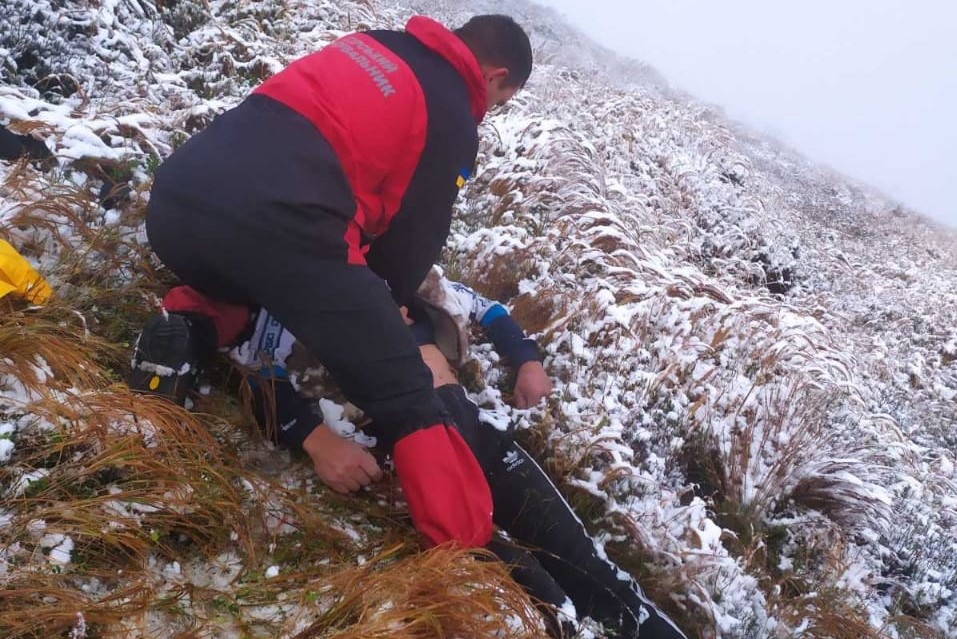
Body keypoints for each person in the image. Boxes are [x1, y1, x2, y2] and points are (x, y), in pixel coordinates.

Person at [129, 15, 533, 549]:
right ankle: (464, 543)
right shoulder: (452, 112)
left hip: (178, 207)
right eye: (501, 99)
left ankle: (191, 326)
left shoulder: (372, 45)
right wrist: (382, 313)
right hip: (282, 221)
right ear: (494, 74)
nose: (490, 111)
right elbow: (413, 237)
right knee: (403, 387)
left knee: (261, 280)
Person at [231, 272, 688, 639]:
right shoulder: (288, 292)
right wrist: (316, 440)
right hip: (406, 456)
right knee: (546, 609)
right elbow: (250, 376)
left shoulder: (404, 265)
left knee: (594, 575)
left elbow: (488, 310)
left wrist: (527, 359)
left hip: (474, 431)